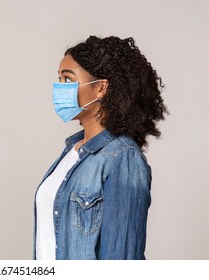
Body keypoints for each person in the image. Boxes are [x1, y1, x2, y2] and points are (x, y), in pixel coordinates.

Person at [33, 36, 167, 260]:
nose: (59, 89)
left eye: (68, 79)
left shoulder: (122, 158)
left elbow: (121, 258)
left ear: (101, 88)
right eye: (59, 79)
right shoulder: (71, 151)